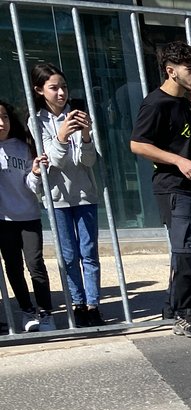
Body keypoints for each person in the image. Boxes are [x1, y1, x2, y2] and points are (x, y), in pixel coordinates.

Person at [129, 41, 191, 337]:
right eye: (190, 69)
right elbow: (137, 143)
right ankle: (183, 313)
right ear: (170, 71)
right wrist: (178, 161)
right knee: (187, 249)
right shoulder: (156, 102)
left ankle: (172, 306)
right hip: (173, 187)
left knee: (189, 250)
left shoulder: (185, 102)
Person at [30, 63, 103, 327]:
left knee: (89, 252)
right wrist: (61, 135)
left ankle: (93, 304)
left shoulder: (78, 113)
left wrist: (85, 135)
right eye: (54, 88)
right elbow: (55, 162)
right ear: (39, 90)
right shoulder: (36, 120)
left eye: (64, 87)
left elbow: (89, 160)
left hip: (85, 195)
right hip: (57, 198)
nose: (61, 93)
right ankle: (77, 302)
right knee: (69, 255)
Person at [0, 99, 54, 333]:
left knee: (36, 265)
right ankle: (27, 311)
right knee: (13, 267)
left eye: (4, 116)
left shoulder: (23, 147)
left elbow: (33, 187)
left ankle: (45, 312)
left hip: (29, 216)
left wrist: (34, 173)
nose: (1, 122)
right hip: (3, 220)